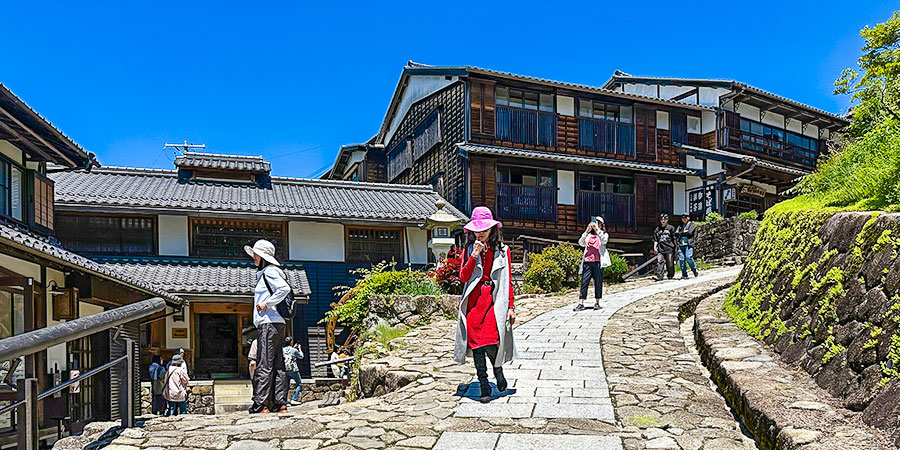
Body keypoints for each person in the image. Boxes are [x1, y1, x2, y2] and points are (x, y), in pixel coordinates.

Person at [453, 206, 516, 404]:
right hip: (474, 300)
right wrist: (474, 255)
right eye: (477, 229)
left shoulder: (503, 251)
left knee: (491, 340)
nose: (480, 233)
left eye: (484, 229)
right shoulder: (469, 249)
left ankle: (498, 370)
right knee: (477, 345)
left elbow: (508, 280)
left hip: (494, 299)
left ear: (492, 229)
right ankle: (484, 385)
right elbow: (463, 276)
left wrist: (511, 306)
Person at [245, 239, 290, 414]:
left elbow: (283, 289)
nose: (253, 258)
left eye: (256, 254)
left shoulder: (269, 272)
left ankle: (260, 404)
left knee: (263, 363)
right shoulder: (273, 271)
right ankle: (280, 404)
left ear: (263, 256)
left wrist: (266, 304)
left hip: (268, 323)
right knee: (278, 364)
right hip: (278, 324)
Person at [576, 216, 611, 311]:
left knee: (598, 282)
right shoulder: (588, 236)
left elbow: (604, 240)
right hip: (587, 262)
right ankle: (581, 303)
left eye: (597, 223)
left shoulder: (603, 235)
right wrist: (586, 231)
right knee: (584, 282)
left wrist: (598, 230)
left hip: (598, 262)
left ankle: (597, 302)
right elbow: (581, 243)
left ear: (601, 224)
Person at [675, 213, 699, 279]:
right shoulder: (680, 226)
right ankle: (684, 274)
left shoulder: (692, 225)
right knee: (681, 259)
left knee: (689, 257)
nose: (684, 219)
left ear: (688, 218)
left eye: (685, 217)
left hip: (688, 244)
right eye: (682, 218)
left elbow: (689, 233)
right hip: (681, 244)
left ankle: (694, 269)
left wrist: (681, 233)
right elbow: (676, 234)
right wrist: (683, 232)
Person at [653, 213, 677, 281]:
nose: (663, 221)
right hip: (660, 248)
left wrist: (676, 248)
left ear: (667, 220)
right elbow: (655, 239)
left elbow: (674, 238)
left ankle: (670, 275)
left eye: (665, 219)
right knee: (660, 261)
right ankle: (659, 276)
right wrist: (655, 247)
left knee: (670, 263)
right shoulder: (657, 229)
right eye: (662, 219)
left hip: (669, 248)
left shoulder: (671, 228)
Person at [283, 338, 304, 406]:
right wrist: (299, 348)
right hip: (294, 369)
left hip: (285, 370)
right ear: (291, 342)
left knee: (286, 386)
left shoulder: (282, 350)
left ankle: (286, 400)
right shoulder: (294, 350)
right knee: (299, 384)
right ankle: (294, 399)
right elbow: (301, 356)